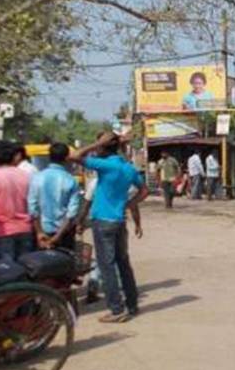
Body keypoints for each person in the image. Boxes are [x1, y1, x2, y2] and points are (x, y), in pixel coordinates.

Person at [69, 131, 148, 323]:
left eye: (100, 145)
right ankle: (132, 304)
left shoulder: (105, 165)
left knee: (107, 266)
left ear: (104, 147)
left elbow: (74, 156)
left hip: (103, 221)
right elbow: (144, 191)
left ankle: (116, 309)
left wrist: (96, 144)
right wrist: (127, 205)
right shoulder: (128, 167)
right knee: (123, 264)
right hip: (119, 221)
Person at [28, 142, 81, 251]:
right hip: (64, 234)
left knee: (39, 265)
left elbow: (33, 208)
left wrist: (39, 233)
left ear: (49, 156)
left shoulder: (37, 178)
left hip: (41, 233)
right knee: (63, 265)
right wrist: (57, 237)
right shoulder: (71, 180)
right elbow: (71, 213)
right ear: (67, 158)